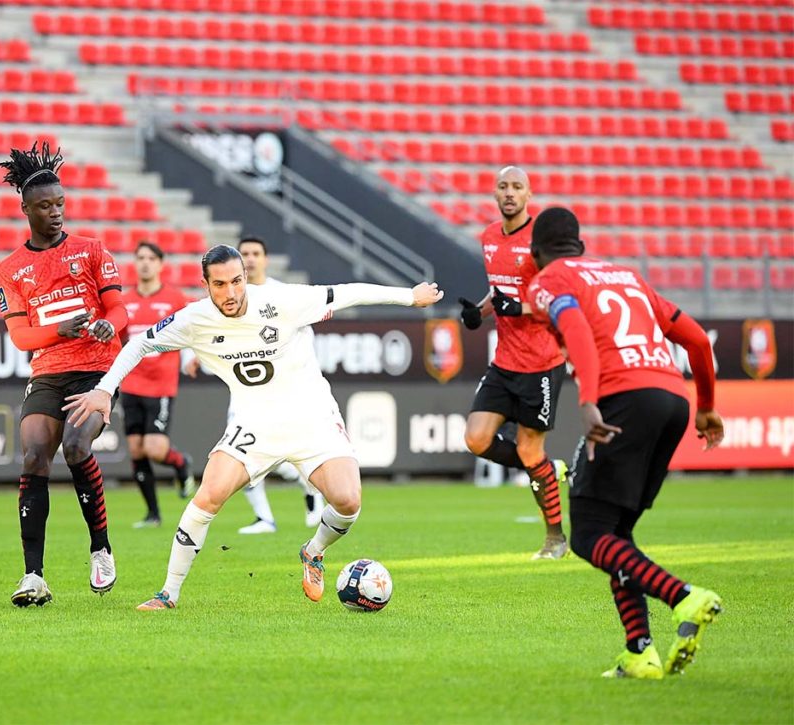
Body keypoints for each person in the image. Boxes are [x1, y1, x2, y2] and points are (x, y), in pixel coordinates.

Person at [63, 244, 443, 610]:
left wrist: (409, 296)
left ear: (246, 276)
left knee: (349, 501)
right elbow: (138, 345)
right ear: (206, 285)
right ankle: (168, 593)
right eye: (220, 284)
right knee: (209, 495)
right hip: (255, 422)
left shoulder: (281, 301)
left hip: (311, 416)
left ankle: (313, 552)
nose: (231, 292)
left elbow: (345, 293)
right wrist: (104, 390)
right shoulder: (195, 319)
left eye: (236, 281)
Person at [526, 207, 724, 679]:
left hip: (622, 400)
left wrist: (589, 401)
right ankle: (640, 653)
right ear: (581, 244)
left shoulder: (548, 280)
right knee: (618, 535)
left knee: (590, 537)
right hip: (671, 400)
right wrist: (707, 406)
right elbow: (697, 340)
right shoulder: (625, 276)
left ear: (536, 253)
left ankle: (685, 598)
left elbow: (576, 331)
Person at [0, 142, 128, 606]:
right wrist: (57, 329)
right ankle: (33, 576)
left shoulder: (91, 250)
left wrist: (112, 322)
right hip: (48, 373)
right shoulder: (10, 269)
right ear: (26, 209)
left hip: (95, 369)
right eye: (45, 206)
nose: (55, 213)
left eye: (60, 204)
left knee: (75, 447)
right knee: (33, 456)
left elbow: (118, 306)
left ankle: (101, 547)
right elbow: (21, 338)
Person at [458, 166, 570, 559]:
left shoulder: (542, 238)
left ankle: (555, 538)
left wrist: (517, 307)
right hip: (504, 361)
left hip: (541, 362)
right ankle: (544, 469)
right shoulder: (489, 236)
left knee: (528, 450)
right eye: (503, 186)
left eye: (517, 187)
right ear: (494, 192)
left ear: (529, 193)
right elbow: (500, 292)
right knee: (476, 439)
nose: (509, 193)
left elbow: (559, 300)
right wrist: (481, 312)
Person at [234, 235, 324, 534]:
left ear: (265, 259)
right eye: (244, 253)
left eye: (255, 253)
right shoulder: (232, 297)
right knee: (238, 453)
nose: (249, 258)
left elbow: (305, 335)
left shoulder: (283, 293)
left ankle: (312, 487)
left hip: (283, 388)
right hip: (245, 388)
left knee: (289, 452)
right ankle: (265, 518)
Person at [121, 240, 198, 528]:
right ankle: (152, 514)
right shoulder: (126, 301)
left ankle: (180, 463)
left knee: (154, 448)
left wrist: (189, 357)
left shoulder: (174, 299)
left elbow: (189, 332)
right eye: (140, 257)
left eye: (150, 258)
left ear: (160, 264)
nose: (144, 263)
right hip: (131, 383)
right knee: (137, 450)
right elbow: (121, 341)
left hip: (161, 383)